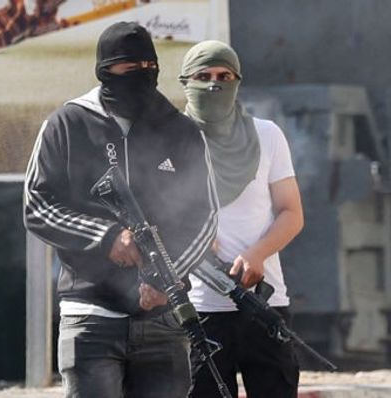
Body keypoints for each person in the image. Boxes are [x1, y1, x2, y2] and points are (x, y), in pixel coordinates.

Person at [23, 22, 218, 397]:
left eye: (150, 69)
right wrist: (107, 237)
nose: (142, 78)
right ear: (105, 71)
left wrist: (167, 277)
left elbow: (205, 216)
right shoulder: (68, 124)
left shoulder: (180, 130)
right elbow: (37, 204)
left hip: (163, 320)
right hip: (91, 314)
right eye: (130, 71)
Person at [181, 41, 304, 398]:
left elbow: (292, 212)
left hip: (264, 305)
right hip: (198, 310)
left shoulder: (267, 135)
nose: (213, 85)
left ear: (237, 81)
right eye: (202, 76)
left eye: (224, 75)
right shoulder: (170, 139)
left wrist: (257, 255)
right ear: (185, 81)